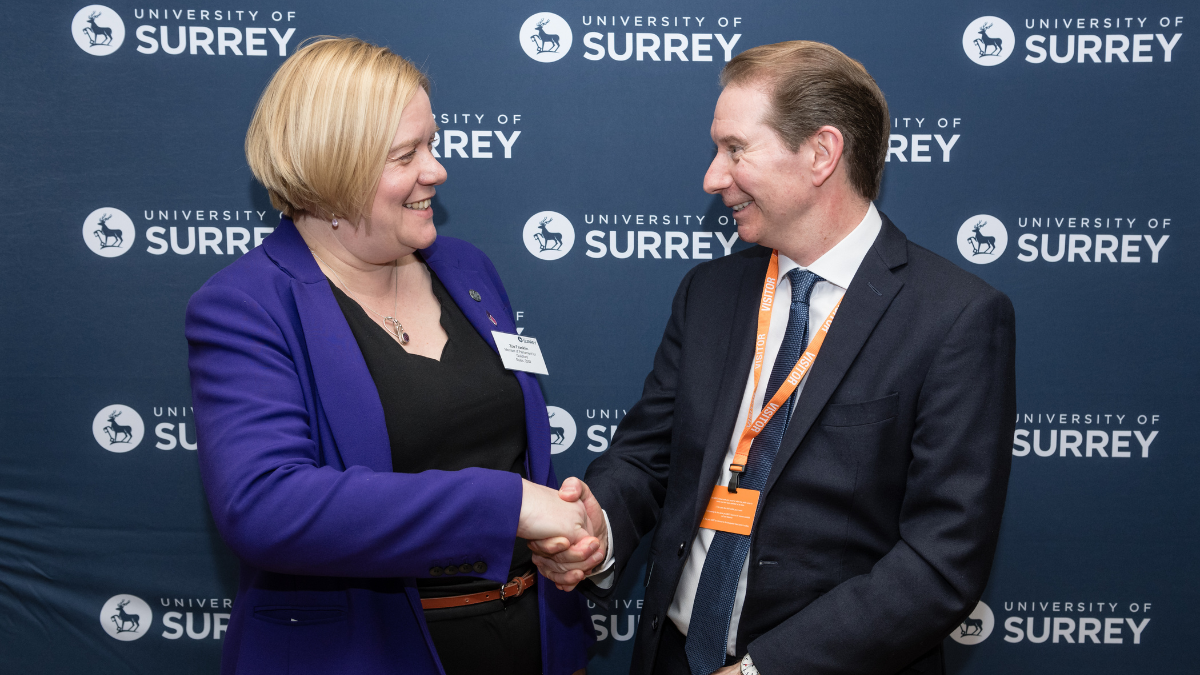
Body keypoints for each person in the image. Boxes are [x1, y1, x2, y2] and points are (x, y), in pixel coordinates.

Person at [530, 41, 1016, 675]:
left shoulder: (954, 317)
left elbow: (940, 561)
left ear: (821, 153)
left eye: (736, 149)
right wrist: (598, 525)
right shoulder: (710, 293)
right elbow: (647, 455)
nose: (712, 177)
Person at [186, 37, 595, 675]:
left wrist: (564, 526)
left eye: (432, 144)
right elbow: (266, 505)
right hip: (363, 653)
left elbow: (500, 442)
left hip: (528, 640)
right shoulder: (247, 304)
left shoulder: (466, 269)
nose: (437, 170)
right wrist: (509, 506)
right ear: (331, 170)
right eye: (407, 155)